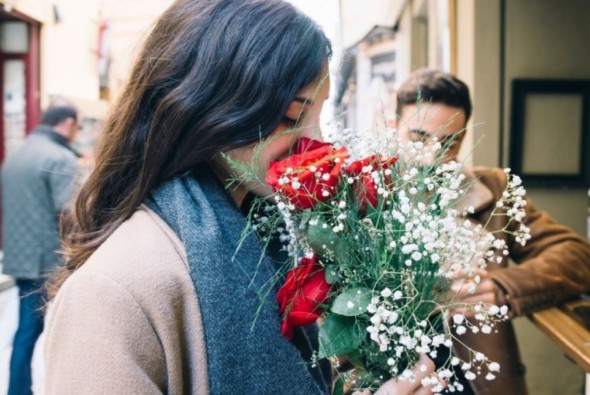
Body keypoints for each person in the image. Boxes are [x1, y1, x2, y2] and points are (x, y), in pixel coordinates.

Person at [43, 1, 435, 394]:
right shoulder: (113, 292)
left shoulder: (264, 240)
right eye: (290, 115)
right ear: (208, 104)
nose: (315, 140)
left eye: (317, 114)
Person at [392, 68, 590, 395]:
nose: (433, 156)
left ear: (465, 137)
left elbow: (578, 256)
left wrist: (504, 286)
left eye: (449, 142)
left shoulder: (494, 188)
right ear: (392, 128)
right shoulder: (356, 195)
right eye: (419, 137)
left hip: (479, 379)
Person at [2, 104, 80, 395]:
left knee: (25, 334)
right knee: (65, 331)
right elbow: (69, 213)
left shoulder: (18, 154)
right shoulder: (58, 157)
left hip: (20, 255)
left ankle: (17, 390)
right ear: (68, 123)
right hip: (49, 260)